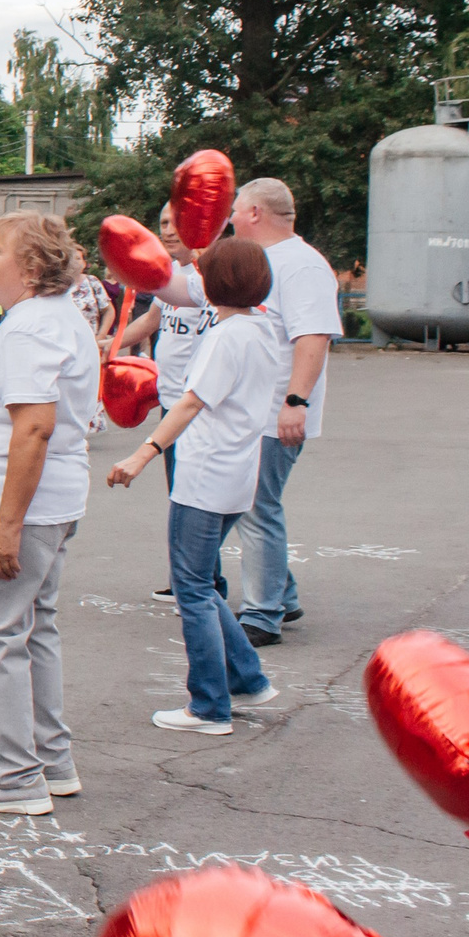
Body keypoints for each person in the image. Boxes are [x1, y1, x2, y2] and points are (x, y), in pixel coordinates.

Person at [0, 212, 99, 814]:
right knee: (34, 627)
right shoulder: (49, 319)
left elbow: (33, 428)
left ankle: (14, 773)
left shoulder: (31, 328)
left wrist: (6, 529)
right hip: (45, 504)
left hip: (13, 508)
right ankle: (50, 758)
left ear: (31, 270)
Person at [105, 236, 287, 733]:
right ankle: (246, 678)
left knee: (192, 589)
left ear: (216, 283)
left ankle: (208, 706)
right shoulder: (261, 328)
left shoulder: (225, 337)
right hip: (236, 473)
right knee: (200, 583)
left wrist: (143, 453)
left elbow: (190, 403)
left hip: (205, 475)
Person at [229, 177, 339, 647]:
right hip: (253, 410)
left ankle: (263, 613)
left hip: (276, 410)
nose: (231, 219)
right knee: (245, 502)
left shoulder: (301, 265)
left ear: (255, 213)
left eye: (236, 210)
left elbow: (313, 336)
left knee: (256, 504)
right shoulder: (265, 261)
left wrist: (295, 401)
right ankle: (282, 594)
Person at [114, 204, 218, 599]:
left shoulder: (209, 277)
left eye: (177, 223)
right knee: (181, 494)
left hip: (197, 405)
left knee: (200, 500)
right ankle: (190, 580)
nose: (169, 231)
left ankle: (201, 584)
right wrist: (108, 346)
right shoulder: (169, 275)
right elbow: (150, 322)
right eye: (162, 224)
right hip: (170, 399)